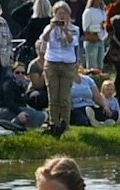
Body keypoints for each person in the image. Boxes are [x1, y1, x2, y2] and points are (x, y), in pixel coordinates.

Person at [35, 0, 77, 134]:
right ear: (54, 15)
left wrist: (65, 30)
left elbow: (72, 42)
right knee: (53, 95)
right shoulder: (49, 28)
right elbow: (43, 39)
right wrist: (52, 28)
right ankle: (54, 123)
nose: (62, 16)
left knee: (64, 97)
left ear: (68, 15)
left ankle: (65, 124)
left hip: (67, 64)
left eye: (64, 13)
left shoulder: (74, 29)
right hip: (52, 63)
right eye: (59, 13)